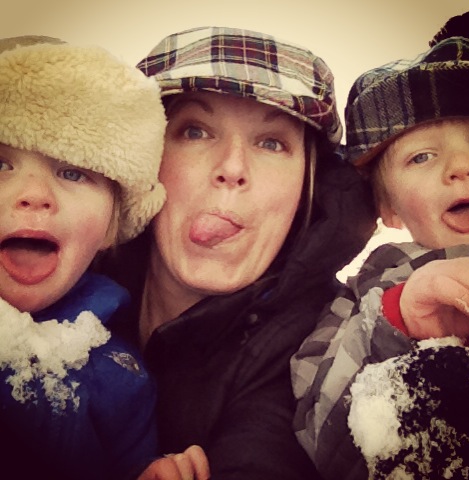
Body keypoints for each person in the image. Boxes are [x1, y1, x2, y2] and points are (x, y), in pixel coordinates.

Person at [98, 26, 377, 480]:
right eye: (195, 131)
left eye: (271, 143)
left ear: (307, 187)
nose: (232, 167)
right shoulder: (65, 277)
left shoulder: (325, 345)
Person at [291, 18, 469, 480]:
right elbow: (318, 426)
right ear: (389, 210)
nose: (462, 166)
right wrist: (397, 318)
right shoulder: (366, 297)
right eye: (422, 156)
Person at [0, 35, 171, 480]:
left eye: (72, 172)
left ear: (113, 227)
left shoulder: (120, 377)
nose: (34, 195)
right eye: (1, 165)